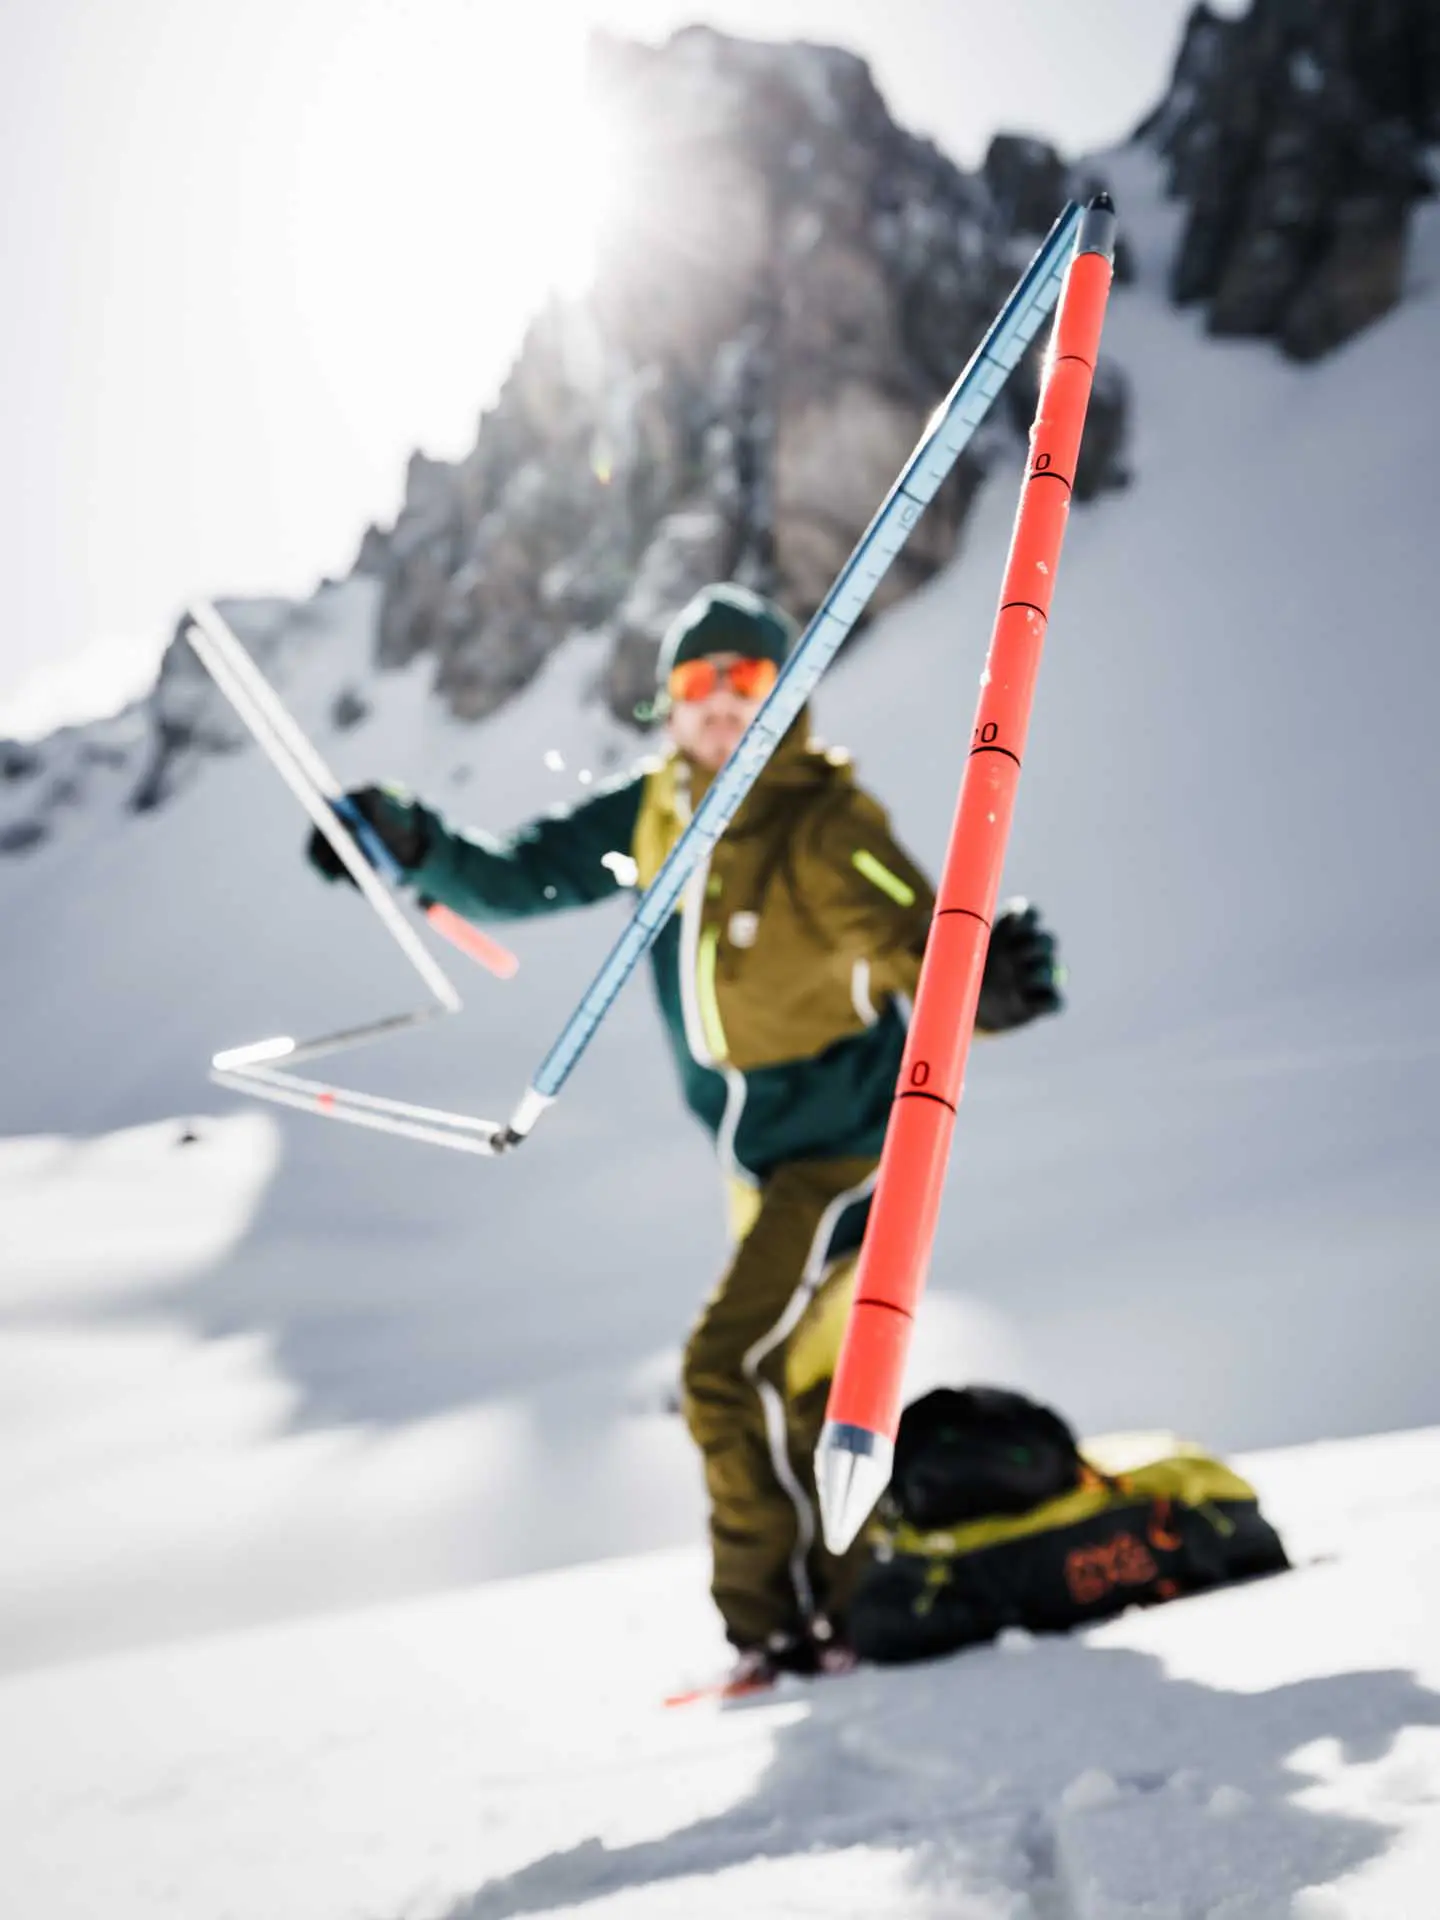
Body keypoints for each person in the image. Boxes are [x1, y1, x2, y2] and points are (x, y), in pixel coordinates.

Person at [307, 582, 1063, 1682]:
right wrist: (407, 838)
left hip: (843, 1156)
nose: (718, 704)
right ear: (667, 704)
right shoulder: (655, 811)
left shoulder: (819, 820)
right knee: (804, 1381)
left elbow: (920, 944)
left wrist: (989, 983)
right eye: (695, 684)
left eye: (744, 679)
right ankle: (855, 1612)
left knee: (722, 1368)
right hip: (756, 1162)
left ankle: (771, 1625)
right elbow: (519, 874)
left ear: (782, 693)